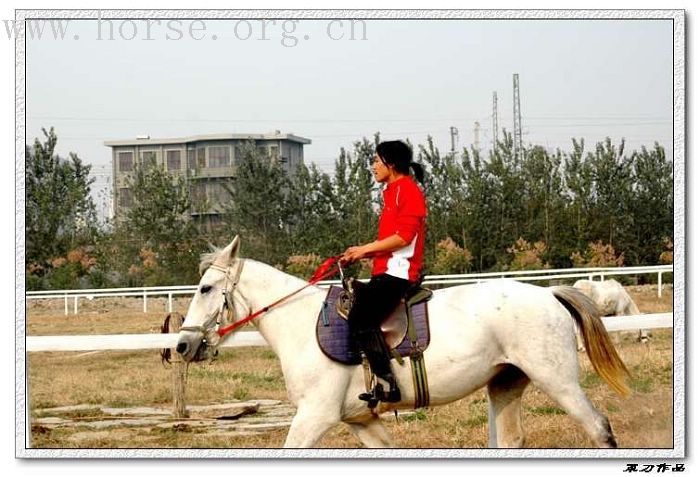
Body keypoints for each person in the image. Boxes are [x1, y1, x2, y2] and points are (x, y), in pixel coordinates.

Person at [341, 140, 427, 404]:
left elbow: (403, 238)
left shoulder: (407, 191)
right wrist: (360, 252)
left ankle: (388, 384)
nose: (373, 167)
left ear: (390, 163)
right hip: (387, 272)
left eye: (376, 161)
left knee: (360, 319)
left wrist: (364, 250)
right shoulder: (392, 191)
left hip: (398, 275)